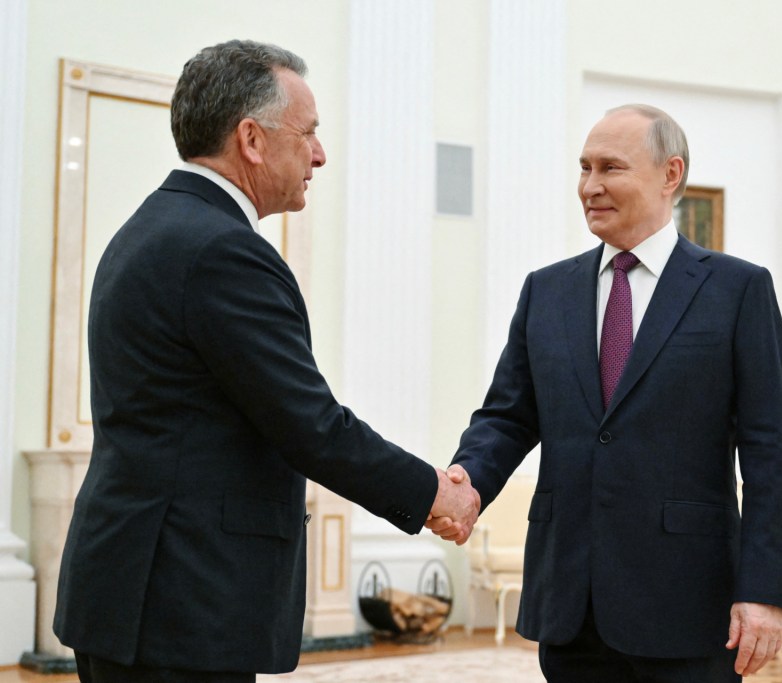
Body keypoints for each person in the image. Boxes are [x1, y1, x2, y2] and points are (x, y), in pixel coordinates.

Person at [53, 40, 479, 683]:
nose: (319, 154)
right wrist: (433, 494)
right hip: (181, 601)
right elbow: (310, 424)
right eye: (308, 134)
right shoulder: (222, 251)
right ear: (251, 139)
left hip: (137, 588)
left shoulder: (150, 226)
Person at [428, 104, 782, 682]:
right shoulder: (546, 291)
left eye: (610, 168)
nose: (590, 186)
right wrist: (467, 483)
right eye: (584, 168)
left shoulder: (738, 290)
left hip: (689, 605)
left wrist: (765, 591)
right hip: (571, 604)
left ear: (670, 174)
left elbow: (770, 452)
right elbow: (507, 416)